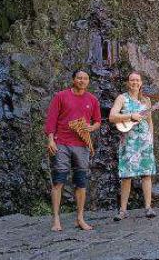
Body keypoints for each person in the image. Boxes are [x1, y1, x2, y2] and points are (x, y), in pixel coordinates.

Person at [45, 69, 102, 231]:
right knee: (58, 181)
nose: (82, 81)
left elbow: (97, 121)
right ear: (73, 80)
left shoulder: (92, 100)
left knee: (81, 183)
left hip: (82, 146)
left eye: (85, 78)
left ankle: (80, 218)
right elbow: (51, 119)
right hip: (61, 142)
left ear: (88, 81)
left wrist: (90, 128)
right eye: (79, 78)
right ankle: (56, 219)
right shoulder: (61, 96)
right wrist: (50, 139)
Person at [109, 71, 157, 220]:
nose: (135, 82)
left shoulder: (146, 101)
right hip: (128, 142)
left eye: (137, 80)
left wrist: (151, 139)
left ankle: (148, 207)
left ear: (141, 83)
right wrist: (130, 116)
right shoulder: (122, 98)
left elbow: (149, 121)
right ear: (128, 83)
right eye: (132, 80)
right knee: (126, 176)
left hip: (144, 141)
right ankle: (123, 210)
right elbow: (112, 117)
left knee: (146, 174)